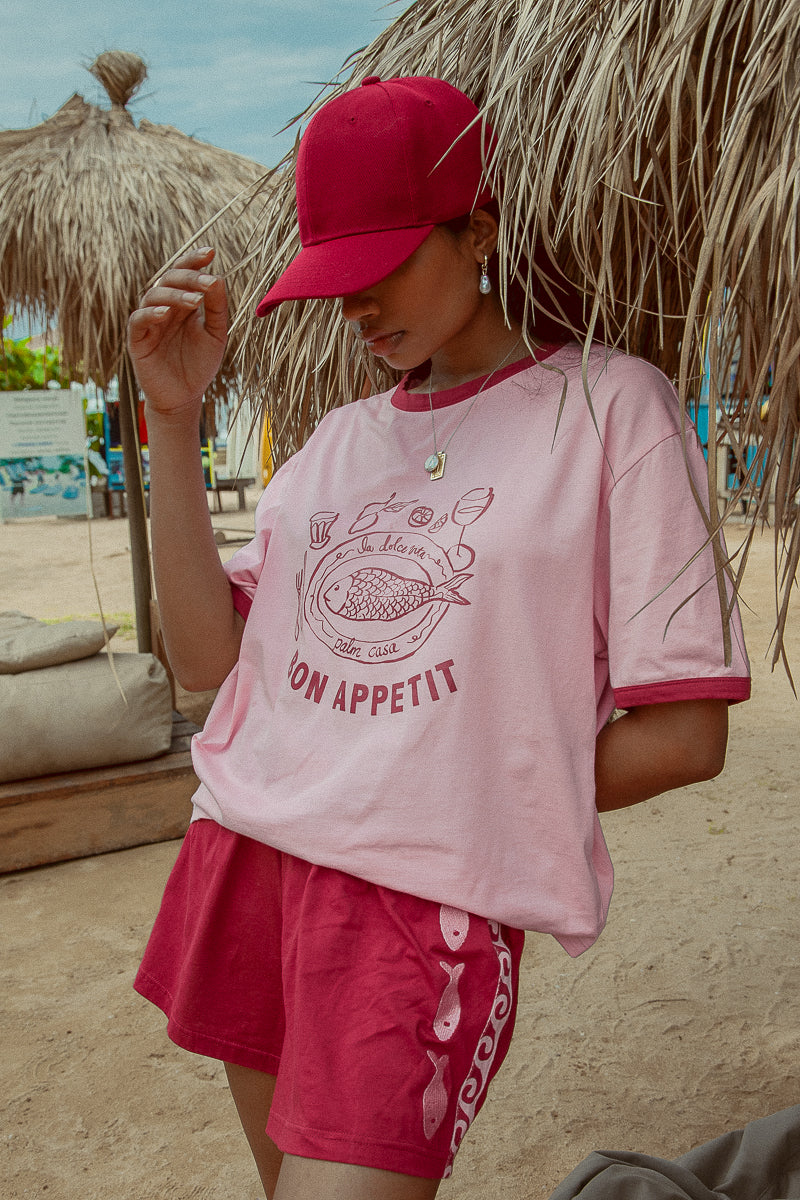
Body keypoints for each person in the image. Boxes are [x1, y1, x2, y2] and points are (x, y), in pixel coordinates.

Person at [128, 76, 750, 1200]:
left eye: (386, 264)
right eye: (335, 281)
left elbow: (683, 733)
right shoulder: (334, 442)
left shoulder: (613, 412)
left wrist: (432, 787)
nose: (358, 306)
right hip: (248, 862)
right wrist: (171, 425)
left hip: (416, 904)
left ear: (480, 228)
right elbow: (207, 669)